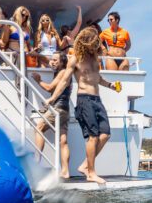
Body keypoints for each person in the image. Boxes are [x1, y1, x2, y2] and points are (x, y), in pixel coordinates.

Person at [46, 27, 120, 184]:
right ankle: (91, 172)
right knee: (92, 137)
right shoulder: (75, 59)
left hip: (97, 99)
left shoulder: (94, 58)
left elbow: (97, 78)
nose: (95, 46)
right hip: (84, 99)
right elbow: (65, 80)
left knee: (105, 134)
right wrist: (52, 98)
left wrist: (110, 85)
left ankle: (85, 165)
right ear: (85, 43)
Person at [31, 52, 71, 179]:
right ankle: (65, 171)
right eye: (52, 60)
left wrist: (38, 80)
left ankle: (36, 161)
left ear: (62, 62)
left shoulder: (62, 72)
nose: (52, 62)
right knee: (63, 140)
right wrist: (36, 54)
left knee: (39, 128)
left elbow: (49, 88)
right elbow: (46, 60)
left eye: (55, 60)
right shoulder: (61, 70)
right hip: (65, 109)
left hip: (58, 108)